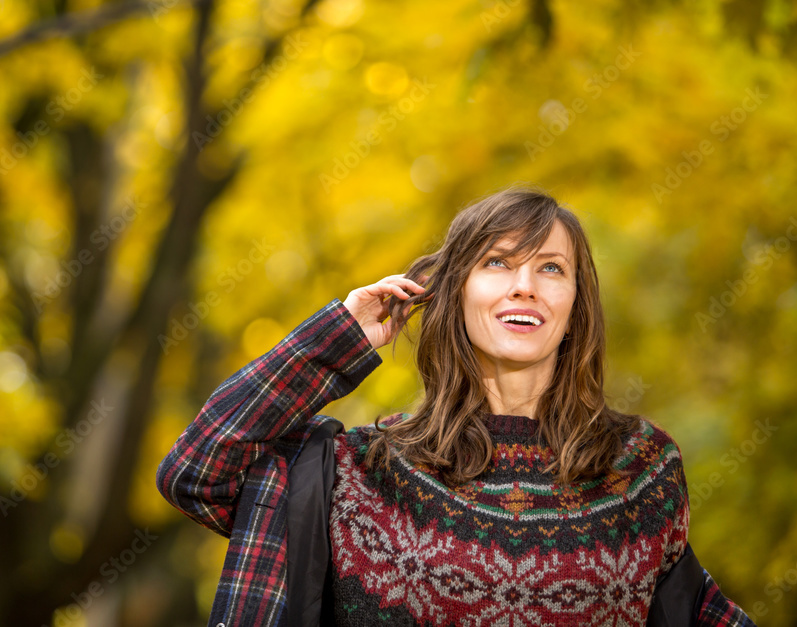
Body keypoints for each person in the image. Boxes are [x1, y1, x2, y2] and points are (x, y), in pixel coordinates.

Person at [156, 185, 756, 626]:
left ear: (576, 306)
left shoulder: (641, 469)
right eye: (497, 262)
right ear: (455, 293)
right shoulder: (355, 472)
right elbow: (197, 469)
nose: (525, 284)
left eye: (551, 268)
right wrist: (339, 337)